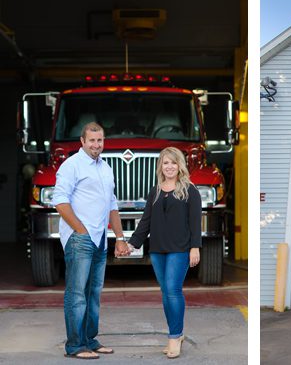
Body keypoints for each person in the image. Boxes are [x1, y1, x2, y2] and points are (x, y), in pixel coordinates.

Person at [118, 146, 201, 359]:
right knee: (166, 293)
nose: (170, 166)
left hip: (179, 249)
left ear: (179, 165)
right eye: (166, 163)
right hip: (157, 250)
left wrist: (195, 247)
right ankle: (177, 333)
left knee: (173, 290)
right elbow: (145, 223)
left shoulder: (190, 190)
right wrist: (131, 244)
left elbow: (195, 222)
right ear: (160, 166)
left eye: (173, 162)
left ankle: (174, 336)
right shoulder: (154, 192)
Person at [54, 122, 125, 360]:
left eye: (100, 140)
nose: (96, 145)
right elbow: (60, 202)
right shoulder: (71, 166)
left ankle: (90, 340)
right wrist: (80, 230)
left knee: (93, 293)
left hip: (101, 239)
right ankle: (75, 345)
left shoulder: (106, 167)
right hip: (80, 238)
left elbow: (112, 205)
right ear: (82, 142)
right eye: (92, 140)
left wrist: (120, 237)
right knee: (77, 294)